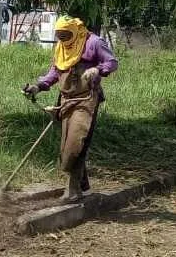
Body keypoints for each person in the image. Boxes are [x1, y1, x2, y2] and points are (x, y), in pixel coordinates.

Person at [22, 16, 118, 203]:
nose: (63, 39)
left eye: (66, 35)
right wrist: (38, 86)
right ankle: (82, 185)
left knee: (75, 143)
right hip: (66, 100)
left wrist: (98, 69)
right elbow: (55, 71)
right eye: (59, 35)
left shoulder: (93, 42)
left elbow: (112, 62)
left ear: (75, 31)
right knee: (67, 145)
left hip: (86, 100)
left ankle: (73, 190)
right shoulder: (62, 46)